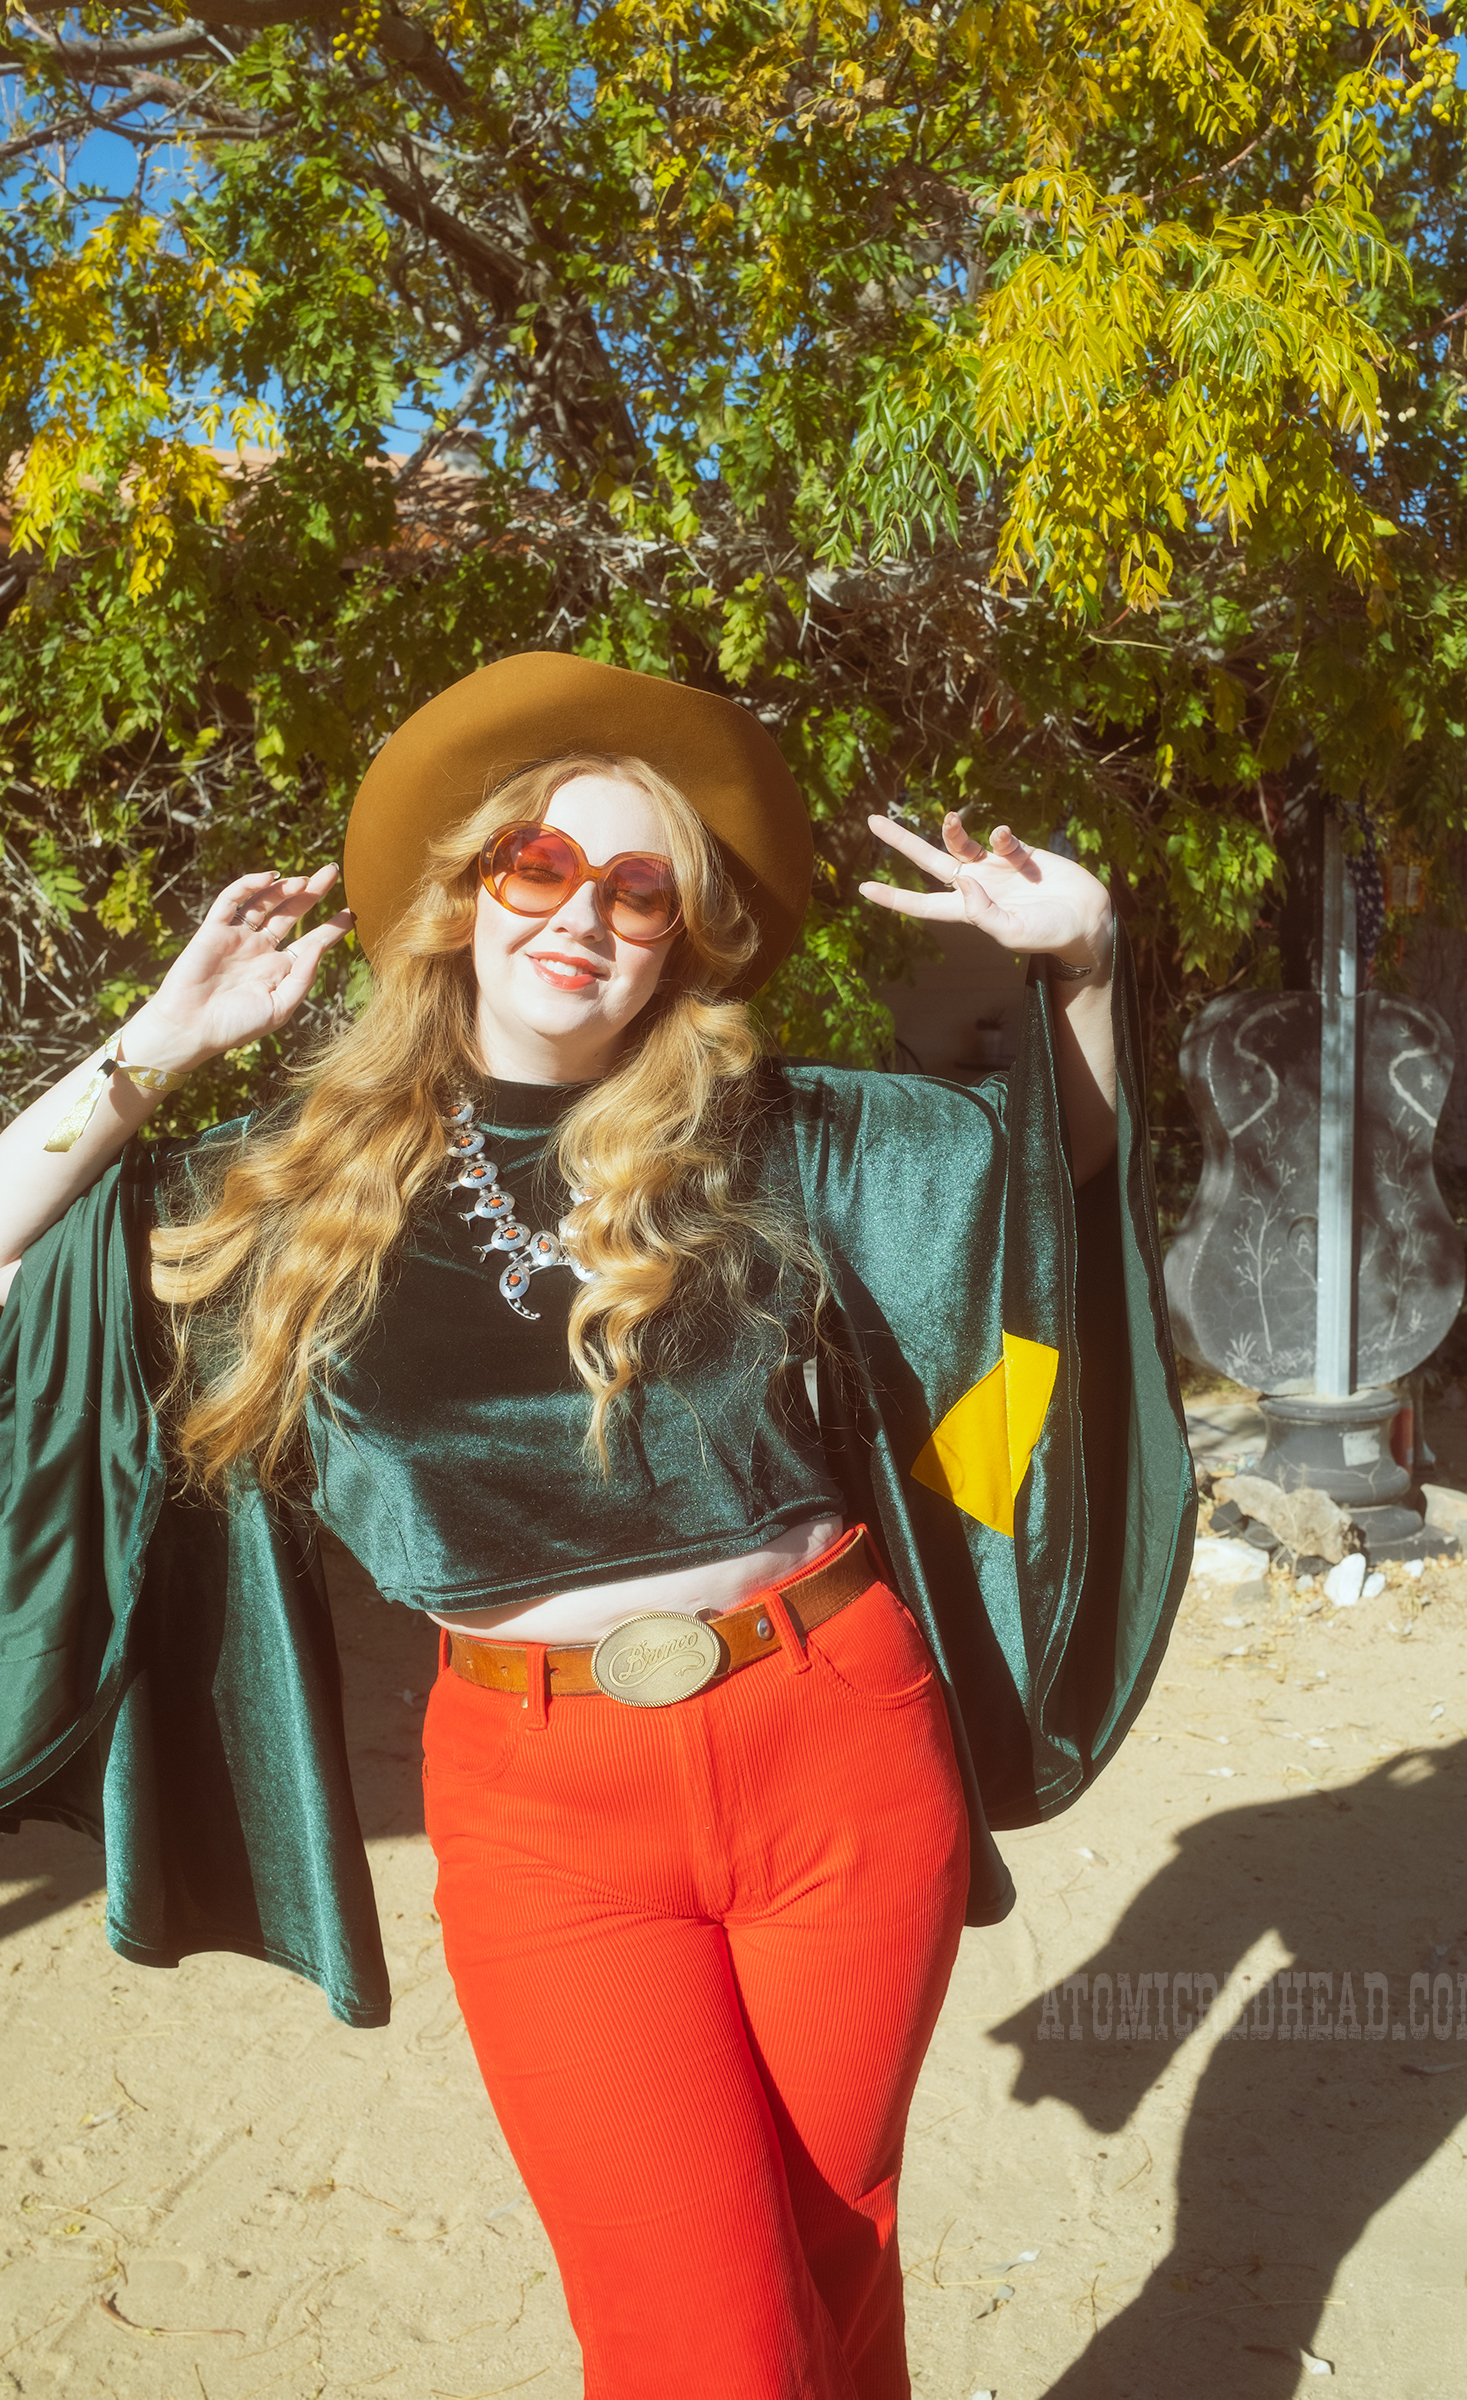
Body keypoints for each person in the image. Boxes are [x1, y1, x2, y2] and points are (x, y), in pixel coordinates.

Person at [0, 653, 1195, 2399]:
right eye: (539, 865)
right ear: (466, 896)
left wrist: (1081, 964)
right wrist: (154, 1050)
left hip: (841, 1742)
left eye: (639, 891)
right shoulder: (289, 1185)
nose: (583, 916)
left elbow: (1045, 1189)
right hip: (541, 1803)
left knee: (834, 2252)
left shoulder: (780, 1136)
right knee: (700, 2338)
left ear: (681, 942)